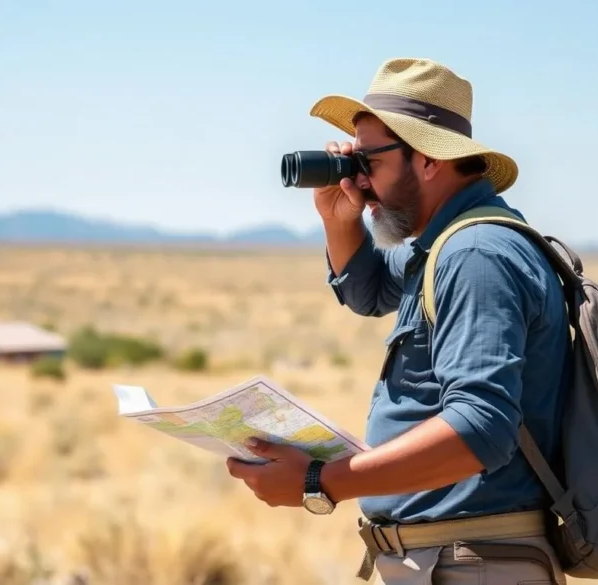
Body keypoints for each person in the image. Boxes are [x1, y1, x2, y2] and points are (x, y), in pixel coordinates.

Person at [226, 58, 573, 585]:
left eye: (367, 160)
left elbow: (481, 429)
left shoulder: (475, 253)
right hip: (450, 560)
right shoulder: (441, 244)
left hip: (472, 563)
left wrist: (321, 481)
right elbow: (367, 292)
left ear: (430, 158)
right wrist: (338, 219)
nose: (357, 177)